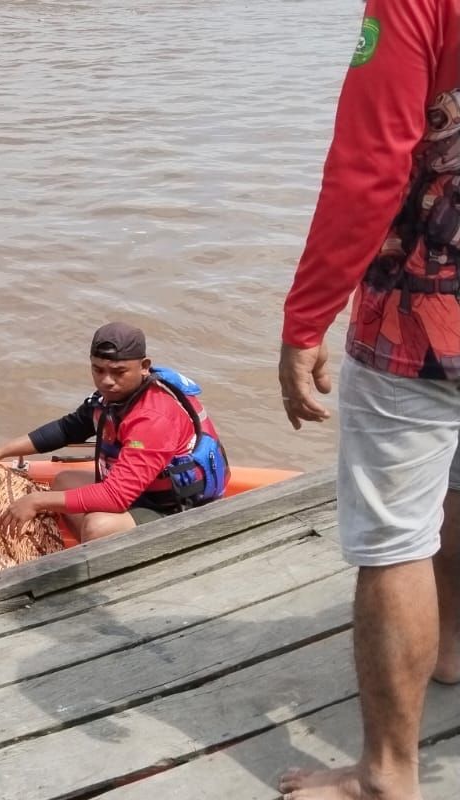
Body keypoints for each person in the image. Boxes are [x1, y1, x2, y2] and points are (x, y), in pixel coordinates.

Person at [278, 2, 460, 798]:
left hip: (427, 313)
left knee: (394, 535)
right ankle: (450, 642)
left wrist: (306, 316)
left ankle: (387, 773)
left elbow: (371, 165)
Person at [0, 322, 229, 542]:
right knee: (64, 480)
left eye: (119, 372)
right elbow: (66, 429)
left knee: (98, 526)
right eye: (98, 370)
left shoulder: (153, 418)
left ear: (144, 366)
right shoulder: (112, 398)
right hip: (141, 491)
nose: (106, 381)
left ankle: (99, 566)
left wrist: (37, 501)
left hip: (173, 508)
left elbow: (116, 496)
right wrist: (2, 451)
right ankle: (88, 551)